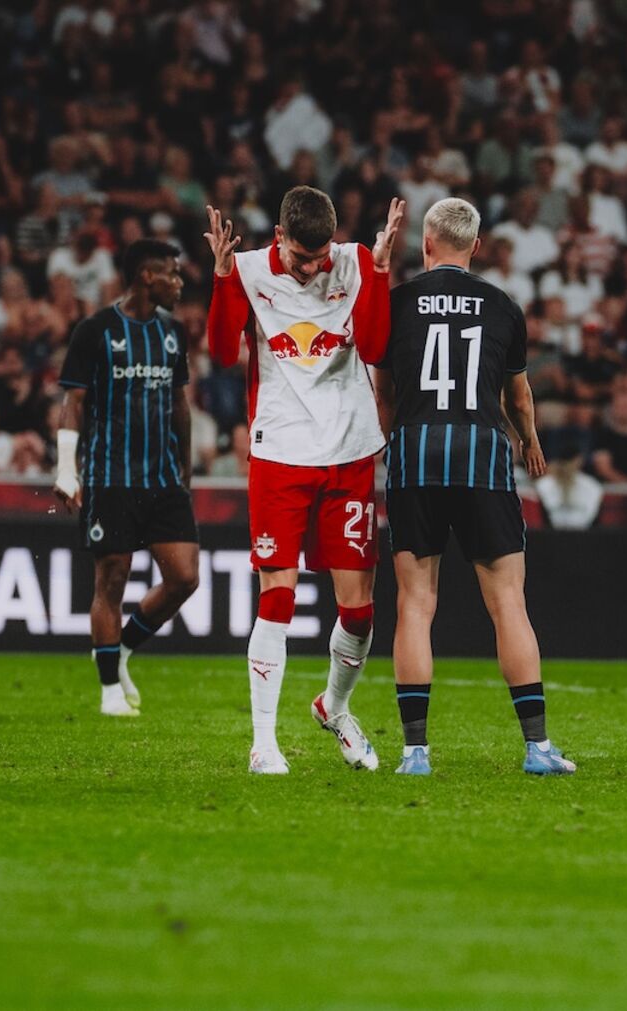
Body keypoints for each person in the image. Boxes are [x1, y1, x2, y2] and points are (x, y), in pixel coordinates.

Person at [205, 187, 403, 774]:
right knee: (278, 599)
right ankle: (263, 741)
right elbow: (219, 353)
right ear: (278, 236)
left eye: (321, 257)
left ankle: (334, 707)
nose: (313, 269)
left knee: (360, 611)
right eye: (300, 258)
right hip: (280, 453)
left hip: (349, 453)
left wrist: (383, 269)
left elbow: (373, 346)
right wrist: (219, 281)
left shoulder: (357, 261)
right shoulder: (243, 270)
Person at [373, 197, 572, 776]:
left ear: (427, 243)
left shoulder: (399, 305)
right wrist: (529, 439)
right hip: (483, 456)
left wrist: (391, 438)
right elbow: (518, 395)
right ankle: (536, 748)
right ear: (476, 247)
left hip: (415, 454)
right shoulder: (504, 307)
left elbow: (385, 389)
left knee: (415, 603)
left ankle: (415, 753)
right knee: (508, 602)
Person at [53, 239, 202, 717]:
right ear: (146, 276)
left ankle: (123, 652)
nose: (179, 283)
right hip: (109, 475)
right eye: (172, 274)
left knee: (184, 578)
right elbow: (72, 404)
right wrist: (64, 468)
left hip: (162, 478)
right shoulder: (94, 331)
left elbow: (180, 405)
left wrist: (187, 466)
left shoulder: (173, 333)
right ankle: (109, 691)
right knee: (111, 580)